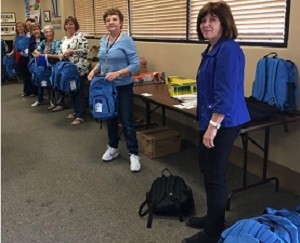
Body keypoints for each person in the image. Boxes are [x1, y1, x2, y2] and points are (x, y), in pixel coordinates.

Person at [182, 2, 250, 243]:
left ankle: (213, 232)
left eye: (212, 20)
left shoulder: (228, 50)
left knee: (214, 175)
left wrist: (213, 126)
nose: (206, 24)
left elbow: (225, 92)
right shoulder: (212, 49)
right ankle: (214, 217)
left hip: (224, 121)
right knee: (206, 168)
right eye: (203, 20)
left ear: (224, 23)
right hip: (211, 119)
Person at [87, 8, 141, 172]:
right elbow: (103, 60)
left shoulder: (127, 40)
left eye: (114, 19)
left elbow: (136, 65)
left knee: (126, 119)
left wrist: (118, 73)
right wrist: (94, 70)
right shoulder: (104, 40)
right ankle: (113, 147)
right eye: (108, 20)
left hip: (123, 86)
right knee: (109, 116)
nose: (111, 22)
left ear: (121, 22)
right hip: (106, 86)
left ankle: (134, 154)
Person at [56, 16, 89, 125]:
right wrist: (62, 55)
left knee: (78, 91)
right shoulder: (63, 39)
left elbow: (85, 51)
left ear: (75, 25)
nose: (69, 26)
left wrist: (72, 51)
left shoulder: (80, 37)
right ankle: (75, 111)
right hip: (67, 69)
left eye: (71, 24)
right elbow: (60, 52)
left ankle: (81, 115)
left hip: (77, 69)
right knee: (71, 90)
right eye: (67, 24)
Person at [32, 25, 61, 109]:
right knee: (39, 76)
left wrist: (46, 55)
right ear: (44, 34)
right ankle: (42, 99)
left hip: (54, 65)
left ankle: (54, 102)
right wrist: (36, 53)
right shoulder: (43, 42)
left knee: (52, 81)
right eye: (46, 32)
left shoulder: (57, 42)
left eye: (50, 31)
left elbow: (58, 55)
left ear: (53, 32)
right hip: (44, 66)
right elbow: (36, 50)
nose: (48, 34)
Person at [7, 22, 34, 96]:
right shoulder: (15, 38)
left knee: (29, 74)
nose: (20, 28)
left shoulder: (28, 37)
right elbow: (14, 48)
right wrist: (11, 53)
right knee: (24, 75)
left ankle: (32, 91)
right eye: (18, 27)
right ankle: (26, 91)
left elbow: (29, 47)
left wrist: (25, 53)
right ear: (16, 28)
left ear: (24, 27)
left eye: (21, 26)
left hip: (27, 57)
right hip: (19, 58)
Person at [28, 22, 45, 106]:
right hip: (35, 60)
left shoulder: (44, 36)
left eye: (37, 29)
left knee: (45, 78)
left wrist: (40, 54)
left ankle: (52, 100)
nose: (35, 31)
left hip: (44, 59)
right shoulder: (31, 38)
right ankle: (39, 99)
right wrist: (34, 53)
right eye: (33, 30)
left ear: (39, 29)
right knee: (37, 79)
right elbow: (31, 48)